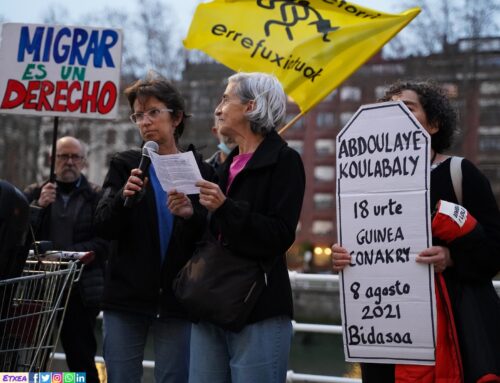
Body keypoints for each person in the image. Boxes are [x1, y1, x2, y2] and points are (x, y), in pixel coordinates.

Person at [332, 81, 500, 383]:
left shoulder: (461, 174)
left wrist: (452, 258)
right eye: (389, 109)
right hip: (384, 331)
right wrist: (346, 257)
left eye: (407, 108)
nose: (396, 115)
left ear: (434, 124)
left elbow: (495, 251)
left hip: (452, 333)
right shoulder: (366, 186)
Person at [94, 72, 212, 383]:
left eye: (153, 112)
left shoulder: (200, 169)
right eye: (138, 115)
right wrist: (124, 198)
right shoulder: (125, 165)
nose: (145, 121)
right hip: (126, 298)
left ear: (176, 118)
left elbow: (213, 232)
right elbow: (104, 225)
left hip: (179, 299)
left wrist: (191, 214)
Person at [191, 72, 305, 383]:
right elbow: (215, 234)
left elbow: (279, 235)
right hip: (210, 300)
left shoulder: (285, 161)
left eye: (226, 99)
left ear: (251, 106)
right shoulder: (226, 165)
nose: (218, 108)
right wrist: (190, 213)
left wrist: (224, 207)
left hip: (257, 308)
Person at [24, 136, 108, 383]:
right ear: (53, 160)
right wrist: (38, 207)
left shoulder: (96, 196)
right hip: (39, 288)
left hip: (80, 290)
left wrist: (68, 256)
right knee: (34, 357)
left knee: (80, 358)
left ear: (83, 162)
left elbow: (104, 243)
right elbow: (20, 237)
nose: (69, 162)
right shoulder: (34, 193)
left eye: (75, 157)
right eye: (63, 156)